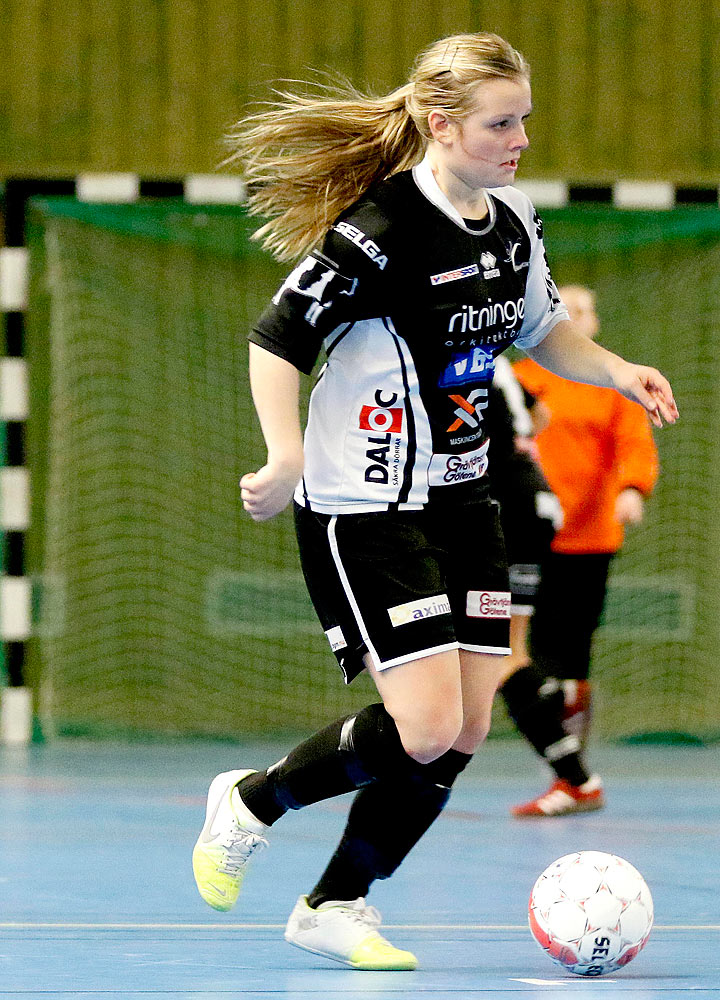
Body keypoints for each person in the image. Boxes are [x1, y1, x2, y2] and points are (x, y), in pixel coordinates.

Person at [190, 32, 678, 971]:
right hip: (364, 502)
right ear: (442, 124)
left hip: (463, 498)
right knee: (418, 727)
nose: (521, 138)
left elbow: (543, 331)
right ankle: (250, 803)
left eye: (526, 118)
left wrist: (616, 370)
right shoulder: (379, 229)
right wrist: (284, 452)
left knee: (464, 727)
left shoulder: (514, 222)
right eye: (503, 122)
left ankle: (335, 903)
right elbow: (277, 337)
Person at [498, 285, 659, 817]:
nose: (579, 318)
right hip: (522, 539)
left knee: (569, 657)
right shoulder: (520, 380)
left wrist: (631, 491)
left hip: (586, 539)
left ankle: (571, 772)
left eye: (587, 310)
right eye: (568, 309)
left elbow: (635, 445)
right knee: (525, 654)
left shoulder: (613, 388)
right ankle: (566, 769)